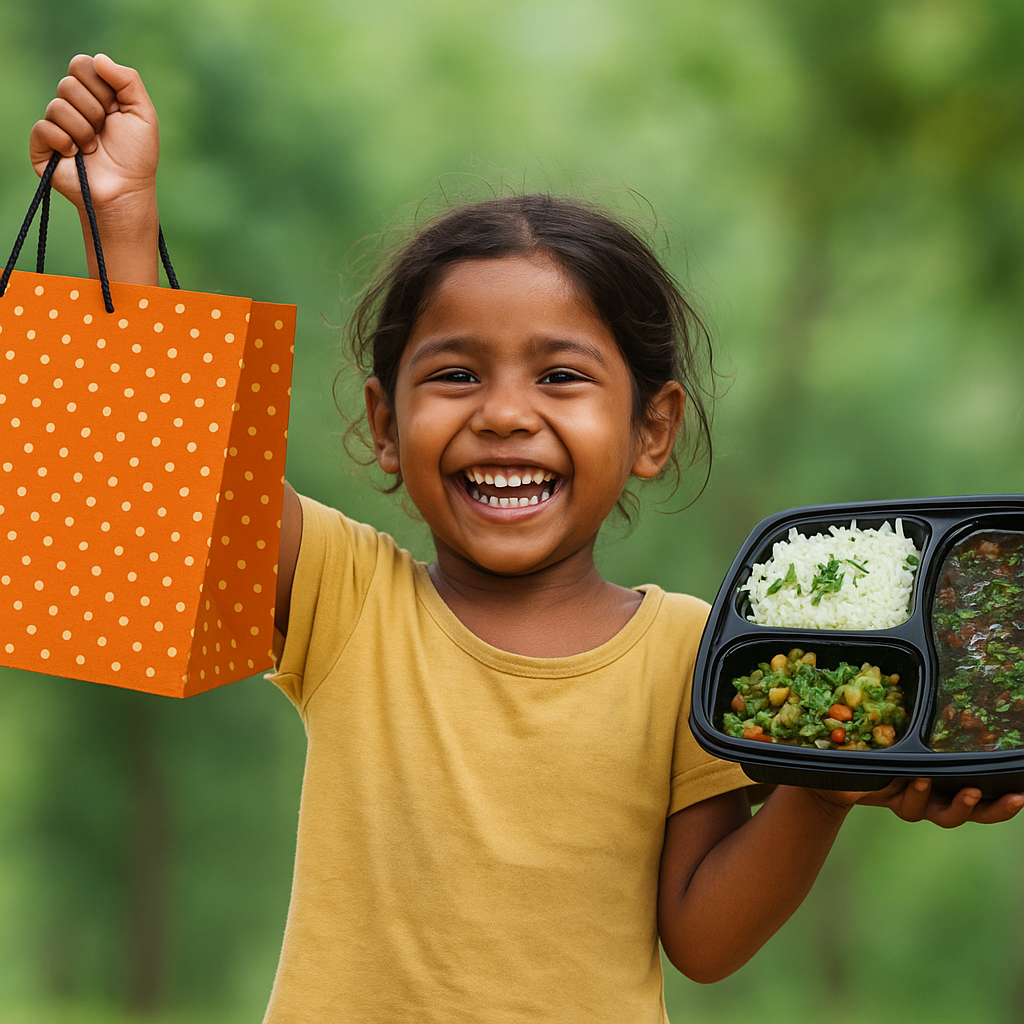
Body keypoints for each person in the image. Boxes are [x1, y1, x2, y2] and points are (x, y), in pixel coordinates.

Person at [29, 53, 1024, 1024]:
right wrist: (125, 223)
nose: (505, 413)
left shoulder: (689, 648)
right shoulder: (350, 600)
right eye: (456, 375)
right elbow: (166, 483)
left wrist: (828, 780)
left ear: (651, 430)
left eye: (560, 376)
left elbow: (704, 938)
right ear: (384, 424)